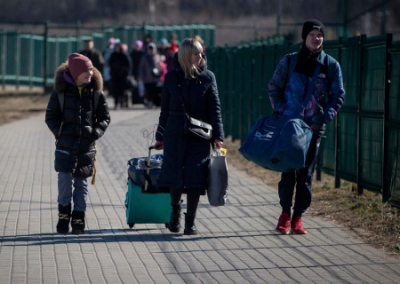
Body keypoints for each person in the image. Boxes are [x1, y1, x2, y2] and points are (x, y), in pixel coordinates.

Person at [268, 19, 345, 235]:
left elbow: (339, 94)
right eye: (312, 34)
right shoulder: (290, 61)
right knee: (288, 173)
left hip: (313, 129)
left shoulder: (330, 65)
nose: (316, 38)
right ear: (305, 37)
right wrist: (282, 110)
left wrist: (326, 115)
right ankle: (284, 214)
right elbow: (274, 87)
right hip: (290, 127)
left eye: (319, 35)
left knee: (306, 175)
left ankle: (298, 217)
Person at [154, 38, 224, 235]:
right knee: (175, 176)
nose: (200, 57)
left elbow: (215, 109)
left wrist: (218, 136)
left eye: (201, 53)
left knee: (195, 177)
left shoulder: (208, 77)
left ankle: (190, 222)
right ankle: (174, 215)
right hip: (175, 132)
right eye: (196, 53)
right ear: (186, 55)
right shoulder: (171, 78)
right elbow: (165, 110)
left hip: (199, 134)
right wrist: (160, 135)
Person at [45, 53, 111, 235]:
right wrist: (60, 133)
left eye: (91, 70)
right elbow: (50, 117)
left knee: (81, 183)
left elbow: (105, 117)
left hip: (86, 146)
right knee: (64, 179)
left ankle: (79, 218)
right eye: (86, 71)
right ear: (75, 73)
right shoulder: (60, 92)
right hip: (65, 144)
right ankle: (64, 214)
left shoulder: (95, 93)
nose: (90, 74)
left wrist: (95, 133)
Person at [138, 42, 163, 107]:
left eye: (152, 49)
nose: (151, 50)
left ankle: (153, 102)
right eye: (150, 49)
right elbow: (141, 67)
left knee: (154, 90)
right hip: (146, 78)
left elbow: (160, 66)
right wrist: (140, 76)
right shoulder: (144, 57)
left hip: (155, 78)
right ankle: (148, 101)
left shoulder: (157, 56)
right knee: (148, 90)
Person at [109, 40, 132, 109]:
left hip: (122, 76)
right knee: (115, 90)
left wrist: (124, 72)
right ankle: (116, 103)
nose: (117, 48)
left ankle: (122, 102)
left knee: (122, 90)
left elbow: (128, 65)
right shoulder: (113, 55)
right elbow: (110, 64)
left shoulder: (124, 55)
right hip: (115, 76)